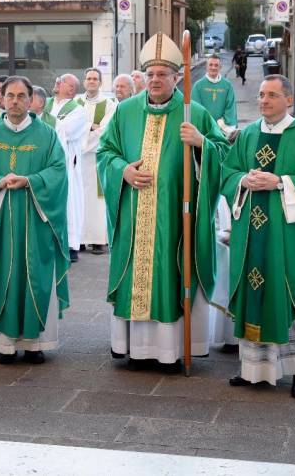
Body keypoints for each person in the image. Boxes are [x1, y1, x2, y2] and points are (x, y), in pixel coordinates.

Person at [98, 32, 229, 372]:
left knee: (171, 275)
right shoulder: (125, 111)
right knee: (134, 275)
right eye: (150, 74)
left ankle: (169, 350)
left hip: (174, 217)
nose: (155, 80)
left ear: (177, 77)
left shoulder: (194, 113)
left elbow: (224, 155)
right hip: (133, 212)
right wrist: (123, 171)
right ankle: (131, 348)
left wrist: (202, 143)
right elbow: (105, 153)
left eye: (163, 74)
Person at [219, 75, 295, 397]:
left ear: (289, 100)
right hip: (252, 236)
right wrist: (243, 180)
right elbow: (228, 172)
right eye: (261, 95)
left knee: (290, 294)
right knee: (253, 293)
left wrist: (281, 182)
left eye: (271, 95)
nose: (263, 101)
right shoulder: (249, 134)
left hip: (288, 237)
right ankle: (253, 368)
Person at [0, 76, 70, 364]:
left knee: (34, 276)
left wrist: (31, 180)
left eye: (21, 96)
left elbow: (59, 172)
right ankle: (5, 345)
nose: (15, 101)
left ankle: (35, 344)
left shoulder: (46, 135)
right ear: (1, 98)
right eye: (9, 95)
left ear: (31, 99)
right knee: (1, 275)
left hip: (35, 221)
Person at [45, 74, 90, 262]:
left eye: (61, 81)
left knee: (69, 202)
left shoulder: (78, 110)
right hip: (44, 161)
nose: (56, 82)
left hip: (66, 164)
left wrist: (42, 123)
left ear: (71, 88)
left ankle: (70, 245)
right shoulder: (46, 103)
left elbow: (67, 131)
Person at [77, 68, 117, 255]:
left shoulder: (109, 104)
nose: (91, 81)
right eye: (89, 78)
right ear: (84, 82)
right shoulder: (76, 103)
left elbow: (105, 130)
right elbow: (69, 126)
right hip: (77, 159)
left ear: (100, 82)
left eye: (95, 79)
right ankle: (81, 239)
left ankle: (99, 240)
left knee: (98, 200)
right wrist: (89, 127)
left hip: (97, 157)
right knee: (79, 198)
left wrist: (87, 133)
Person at [194, 55, 238, 137]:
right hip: (203, 130)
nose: (213, 68)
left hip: (222, 129)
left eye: (216, 65)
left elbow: (231, 107)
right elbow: (195, 108)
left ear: (220, 67)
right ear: (206, 67)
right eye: (210, 65)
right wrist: (207, 124)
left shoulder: (227, 85)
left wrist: (220, 123)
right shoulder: (198, 86)